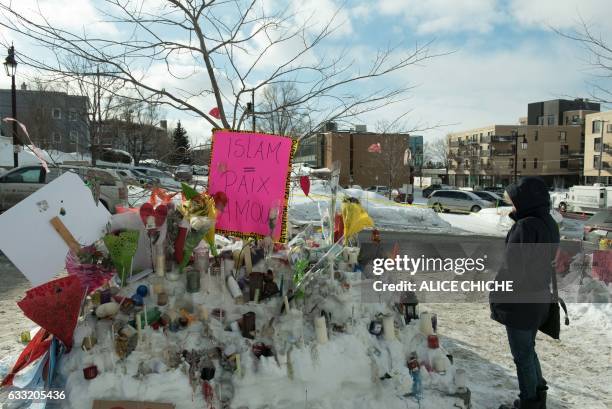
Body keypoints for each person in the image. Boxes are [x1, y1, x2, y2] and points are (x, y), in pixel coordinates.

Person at [490, 177, 560, 409]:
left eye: (515, 201)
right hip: (539, 297)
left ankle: (530, 402)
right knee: (528, 351)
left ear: (526, 201)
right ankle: (538, 394)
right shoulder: (548, 222)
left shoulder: (525, 226)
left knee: (522, 356)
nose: (512, 206)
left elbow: (513, 268)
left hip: (521, 302)